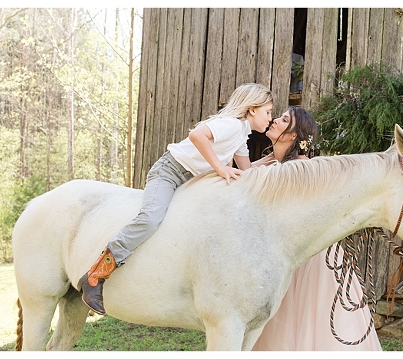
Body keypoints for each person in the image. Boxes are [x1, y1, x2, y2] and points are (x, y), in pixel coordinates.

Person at [78, 83, 274, 315]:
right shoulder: (231, 124)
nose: (270, 118)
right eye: (268, 112)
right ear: (252, 109)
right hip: (170, 172)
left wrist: (272, 161)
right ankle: (94, 277)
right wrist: (220, 167)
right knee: (150, 218)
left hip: (189, 179)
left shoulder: (242, 135)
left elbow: (246, 172)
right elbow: (196, 135)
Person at [250, 106, 382, 351]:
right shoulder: (274, 165)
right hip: (285, 253)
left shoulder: (302, 169)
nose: (276, 120)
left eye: (284, 120)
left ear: (293, 135)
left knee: (304, 316)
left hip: (309, 258)